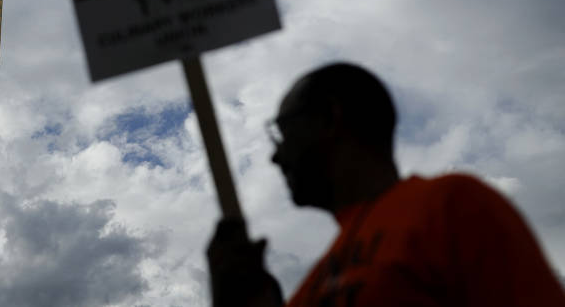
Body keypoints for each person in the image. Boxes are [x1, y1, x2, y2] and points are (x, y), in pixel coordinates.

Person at [207, 62, 565, 306]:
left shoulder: (451, 207)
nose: (276, 157)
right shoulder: (313, 284)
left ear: (332, 117)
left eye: (283, 133)